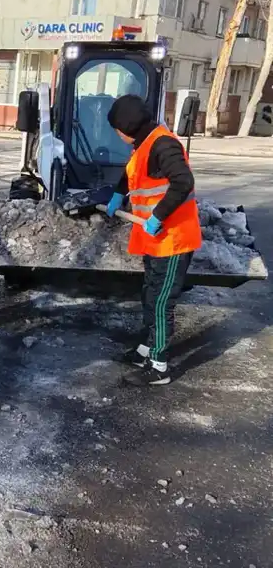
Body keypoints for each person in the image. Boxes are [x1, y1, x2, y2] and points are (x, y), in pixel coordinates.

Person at [105, 95, 202, 386]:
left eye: (116, 129)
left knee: (161, 302)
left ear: (126, 127)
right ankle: (146, 348)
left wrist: (158, 215)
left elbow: (183, 182)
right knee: (150, 292)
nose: (117, 134)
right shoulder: (145, 142)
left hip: (174, 239)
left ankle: (159, 367)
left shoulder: (164, 143)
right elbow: (133, 170)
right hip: (156, 239)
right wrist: (118, 193)